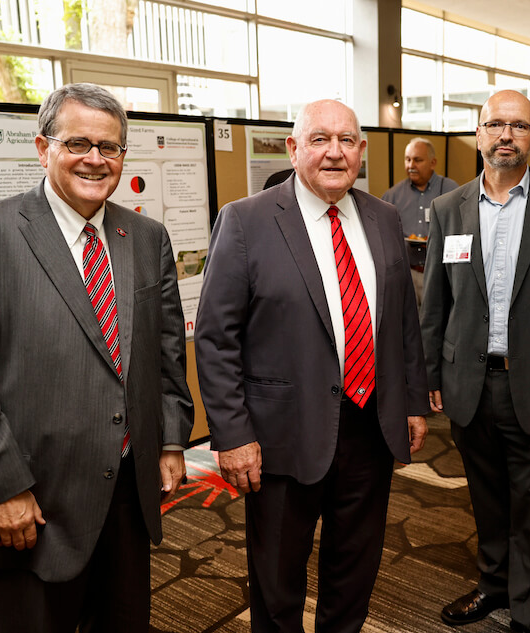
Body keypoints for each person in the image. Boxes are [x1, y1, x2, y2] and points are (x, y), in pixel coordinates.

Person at [0, 83, 195, 632]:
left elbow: (165, 352)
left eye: (109, 147)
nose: (95, 159)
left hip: (125, 493)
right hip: (30, 505)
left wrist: (169, 439)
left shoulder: (145, 237)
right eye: (77, 143)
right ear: (43, 149)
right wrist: (1, 488)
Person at [195, 99, 429, 633]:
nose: (334, 152)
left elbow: (402, 323)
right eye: (319, 139)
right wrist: (232, 435)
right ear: (293, 147)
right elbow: (215, 338)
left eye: (346, 140)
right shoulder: (247, 221)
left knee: (354, 572)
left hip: (370, 424)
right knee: (277, 584)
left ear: (362, 152)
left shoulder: (384, 218)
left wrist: (414, 402)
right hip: (281, 435)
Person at [420, 90, 530, 632]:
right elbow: (436, 301)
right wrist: (431, 373)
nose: (505, 136)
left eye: (518, 127)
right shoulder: (449, 208)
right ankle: (493, 586)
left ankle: (529, 611)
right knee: (487, 498)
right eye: (495, 125)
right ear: (477, 134)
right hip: (467, 382)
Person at [382, 138, 458, 304]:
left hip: (440, 274)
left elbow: (463, 231)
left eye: (417, 160)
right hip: (406, 274)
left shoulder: (451, 191)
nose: (411, 166)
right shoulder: (392, 196)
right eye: (407, 159)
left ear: (433, 163)